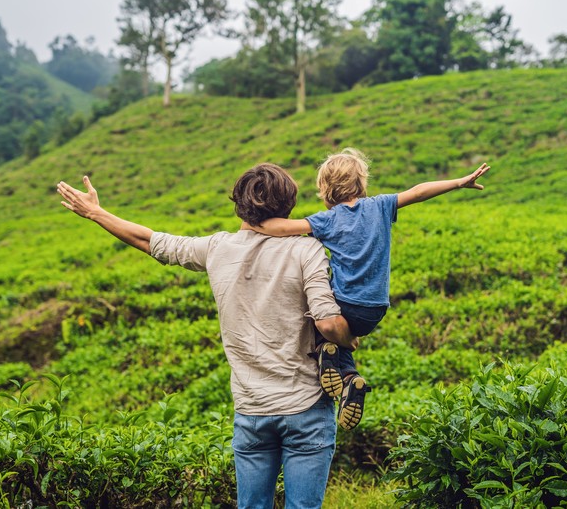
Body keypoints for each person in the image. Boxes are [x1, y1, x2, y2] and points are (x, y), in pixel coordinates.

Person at [56, 163, 357, 509]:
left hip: (252, 409)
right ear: (288, 205)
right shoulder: (307, 250)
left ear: (239, 205)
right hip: (305, 406)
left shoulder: (217, 248)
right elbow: (330, 324)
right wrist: (349, 340)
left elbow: (150, 241)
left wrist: (96, 213)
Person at [248, 149, 490, 430]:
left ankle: (325, 352)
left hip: (341, 306)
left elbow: (284, 228)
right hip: (374, 310)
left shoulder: (326, 220)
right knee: (339, 335)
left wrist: (252, 221)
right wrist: (459, 182)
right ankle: (350, 377)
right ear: (361, 184)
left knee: (311, 306)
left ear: (324, 189)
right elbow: (419, 191)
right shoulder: (380, 206)